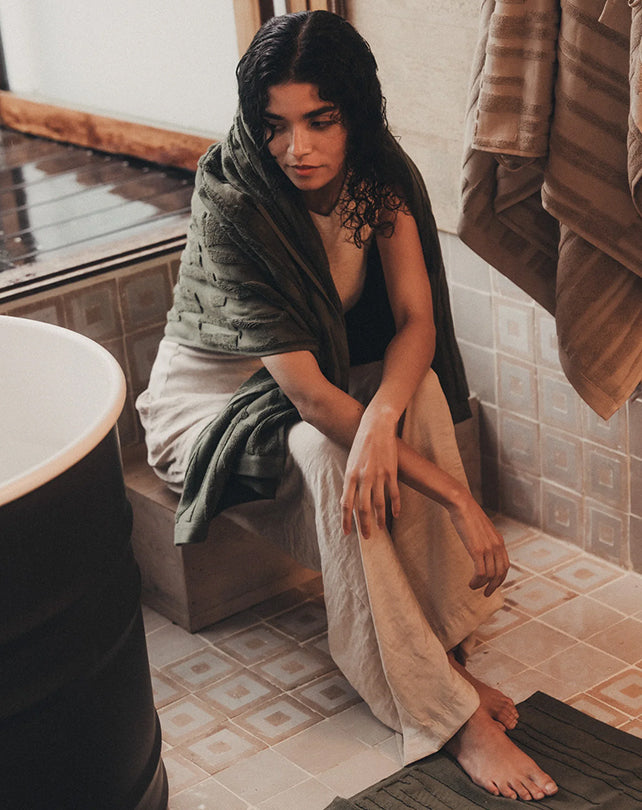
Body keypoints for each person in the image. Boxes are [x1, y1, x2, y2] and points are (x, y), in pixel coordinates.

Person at [137, 10, 558, 802]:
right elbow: (306, 401)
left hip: (313, 386)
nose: (297, 148)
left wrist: (380, 417)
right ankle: (443, 710)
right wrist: (457, 494)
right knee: (324, 447)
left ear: (353, 113)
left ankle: (439, 649)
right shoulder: (237, 199)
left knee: (415, 390)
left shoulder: (376, 174)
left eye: (319, 120)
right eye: (275, 125)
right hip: (213, 409)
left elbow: (416, 322)